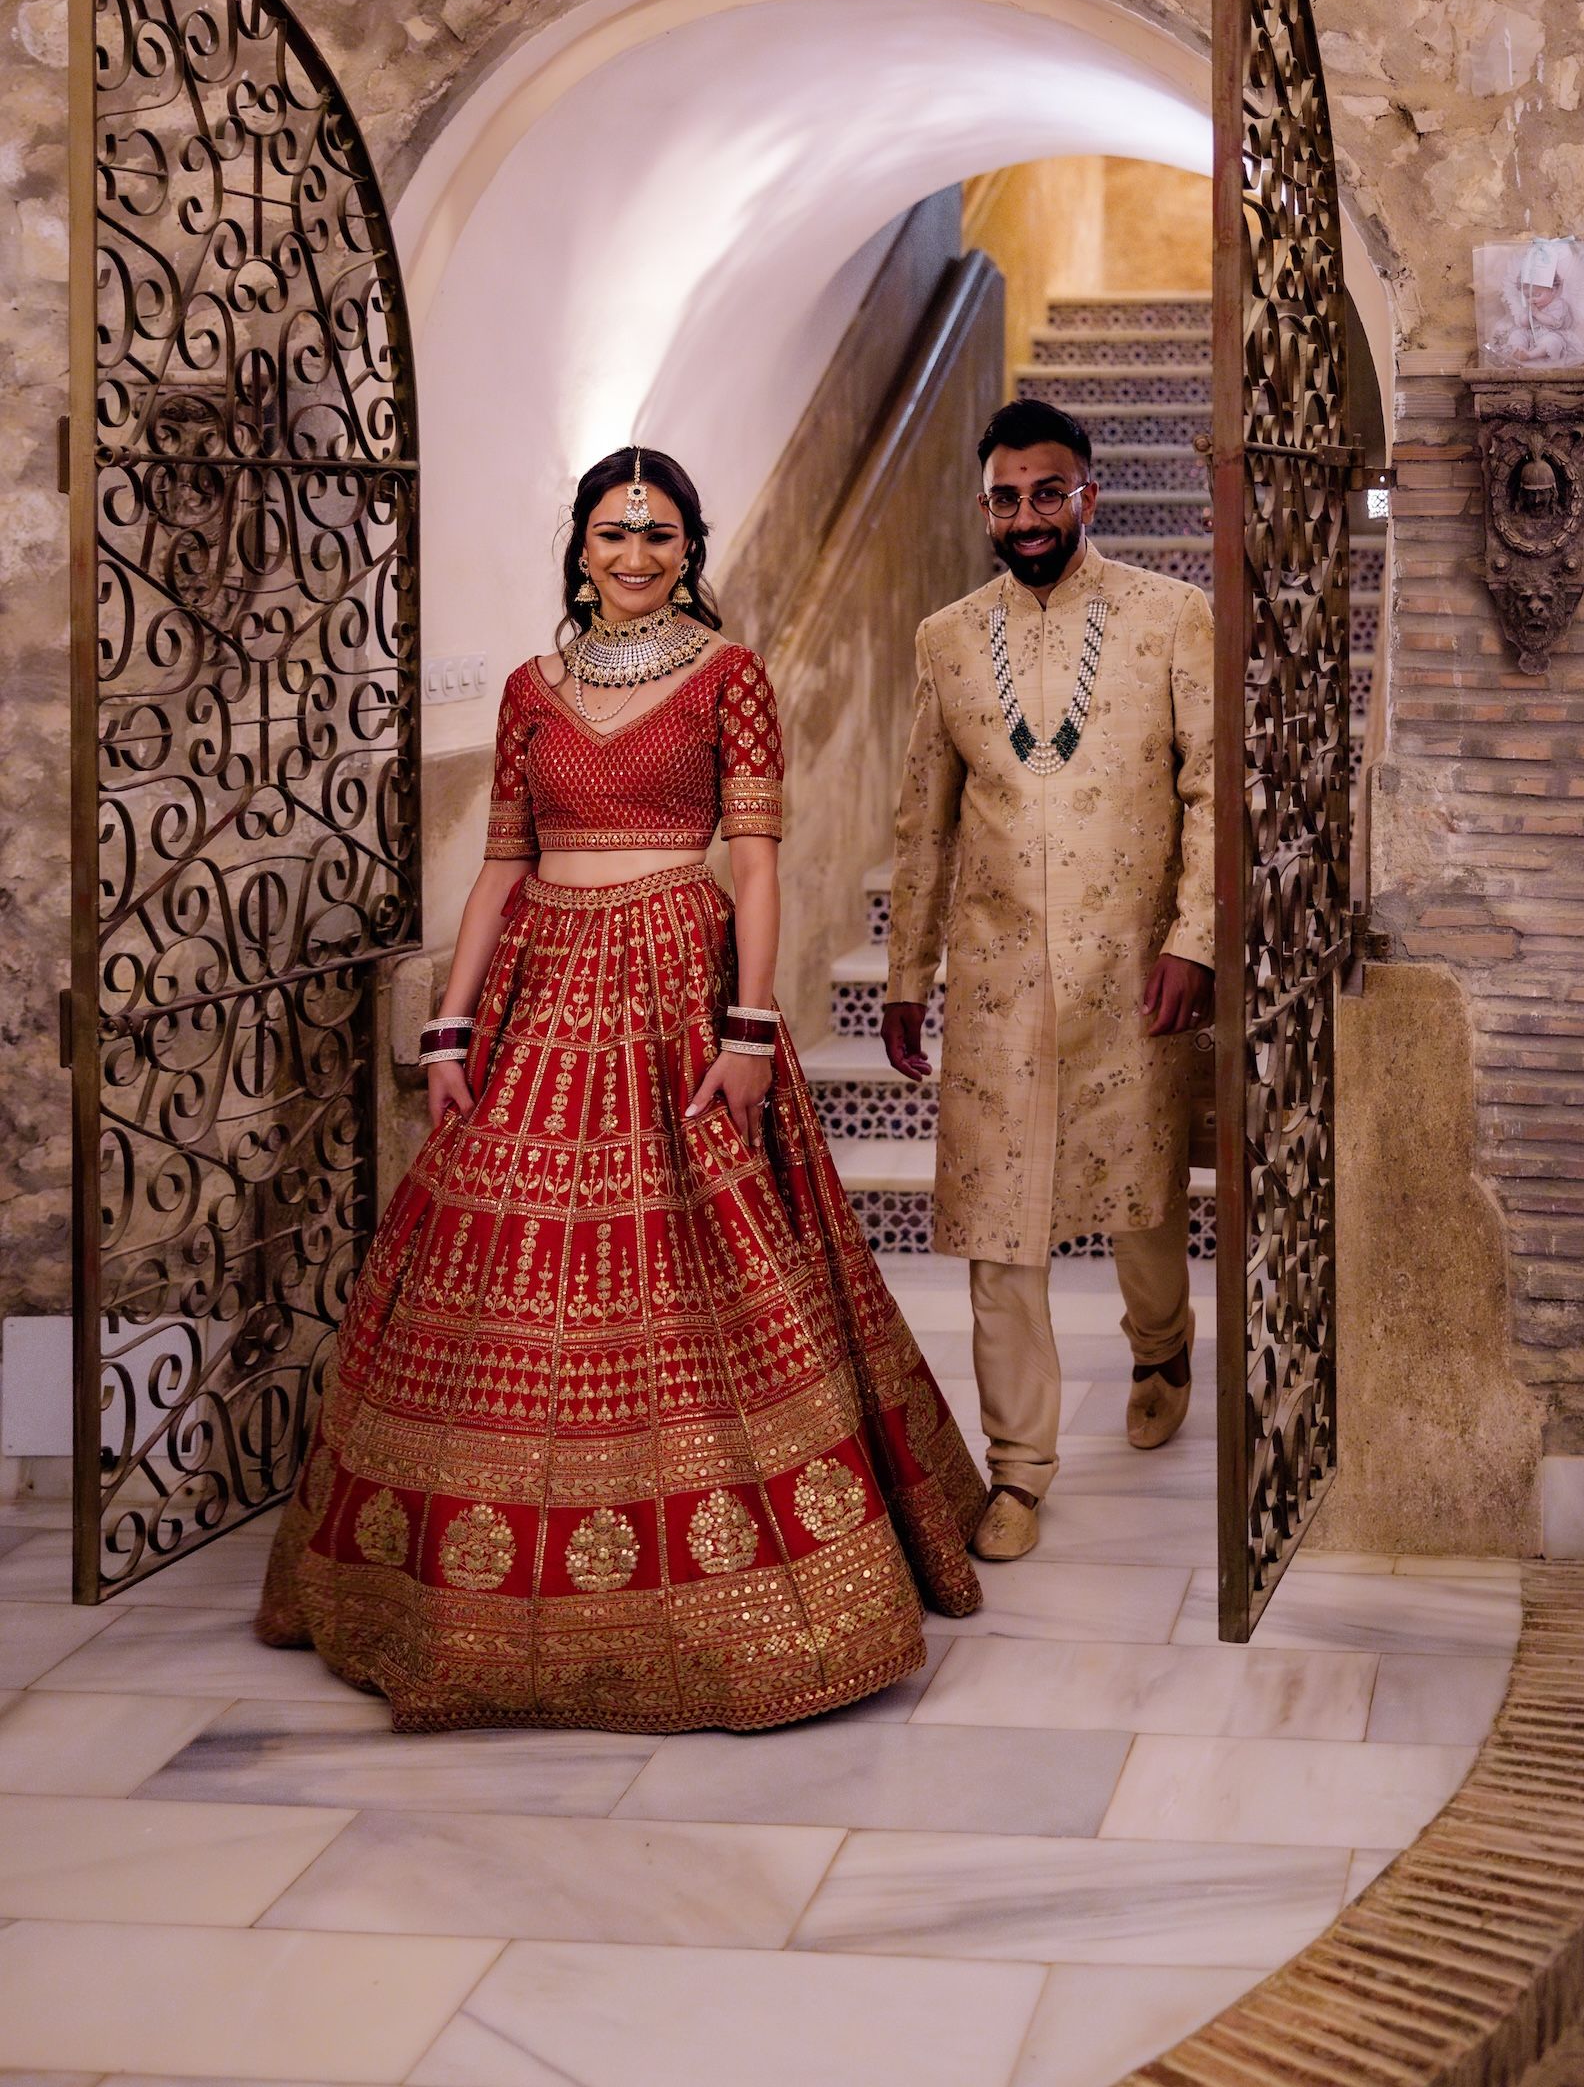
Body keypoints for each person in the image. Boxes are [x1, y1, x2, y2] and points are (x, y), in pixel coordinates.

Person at [257, 447, 984, 1730]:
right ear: (580, 547)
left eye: (658, 534)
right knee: (498, 1265)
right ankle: (467, 1594)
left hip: (674, 981)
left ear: (689, 547)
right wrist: (450, 1022)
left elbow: (756, 865)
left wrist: (751, 1030)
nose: (634, 556)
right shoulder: (533, 690)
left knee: (707, 1257)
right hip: (541, 981)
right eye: (611, 533)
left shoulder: (730, 676)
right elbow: (497, 866)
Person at [882, 400, 1214, 1564]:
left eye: (1048, 491)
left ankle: (1162, 1344)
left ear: (1088, 493)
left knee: (1141, 1195)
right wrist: (906, 971)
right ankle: (1017, 1468)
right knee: (995, 1228)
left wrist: (1197, 938)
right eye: (1006, 497)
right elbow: (923, 822)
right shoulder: (945, 638)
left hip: (1132, 967)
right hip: (992, 976)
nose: (1026, 515)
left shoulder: (1173, 619)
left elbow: (1212, 793)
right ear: (985, 508)